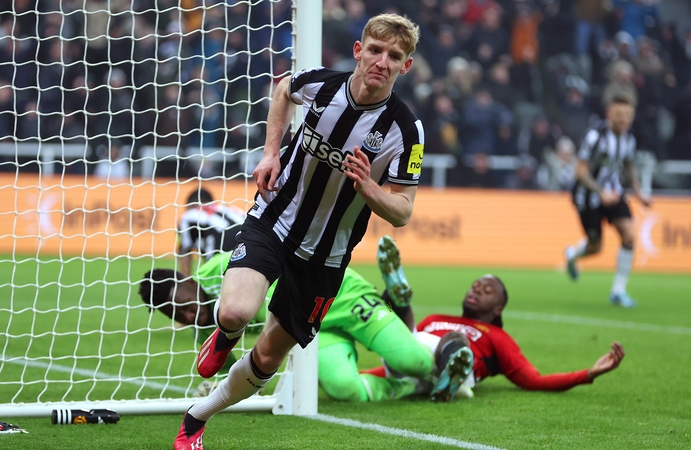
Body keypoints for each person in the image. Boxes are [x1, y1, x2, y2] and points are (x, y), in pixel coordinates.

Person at [172, 13, 426, 449]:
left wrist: (368, 187)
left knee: (269, 355)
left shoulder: (407, 131)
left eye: (394, 56)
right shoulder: (321, 85)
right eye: (376, 50)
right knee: (235, 311)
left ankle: (197, 417)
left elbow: (402, 211)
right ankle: (226, 335)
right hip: (274, 220)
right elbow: (283, 90)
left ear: (405, 66)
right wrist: (271, 152)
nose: (382, 61)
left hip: (326, 257)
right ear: (358, 51)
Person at [139, 236, 473, 405]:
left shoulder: (226, 269)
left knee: (411, 358)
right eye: (175, 315)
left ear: (186, 281)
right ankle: (419, 385)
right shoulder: (208, 333)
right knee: (344, 389)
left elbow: (277, 296)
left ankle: (448, 355)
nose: (186, 315)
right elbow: (235, 371)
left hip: (342, 295)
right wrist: (217, 386)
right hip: (311, 328)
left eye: (182, 304)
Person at [364, 274, 626, 393]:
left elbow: (533, 380)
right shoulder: (435, 319)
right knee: (407, 338)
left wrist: (588, 374)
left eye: (486, 290)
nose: (476, 290)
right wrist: (361, 374)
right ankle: (394, 299)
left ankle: (453, 372)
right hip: (414, 366)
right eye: (475, 286)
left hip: (459, 367)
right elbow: (411, 343)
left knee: (452, 342)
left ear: (498, 308)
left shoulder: (496, 337)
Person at [563, 95, 651, 308]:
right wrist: (600, 191)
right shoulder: (595, 136)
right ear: (608, 114)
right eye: (619, 114)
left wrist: (639, 192)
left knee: (629, 235)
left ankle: (618, 292)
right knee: (596, 247)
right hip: (588, 196)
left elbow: (629, 166)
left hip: (614, 193)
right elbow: (580, 171)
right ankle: (573, 256)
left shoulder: (628, 139)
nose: (624, 119)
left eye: (628, 115)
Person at [176, 188, 246, 275]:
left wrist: (185, 279)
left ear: (190, 205)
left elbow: (184, 252)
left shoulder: (188, 216)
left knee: (209, 283)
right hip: (249, 241)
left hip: (222, 249)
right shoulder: (230, 208)